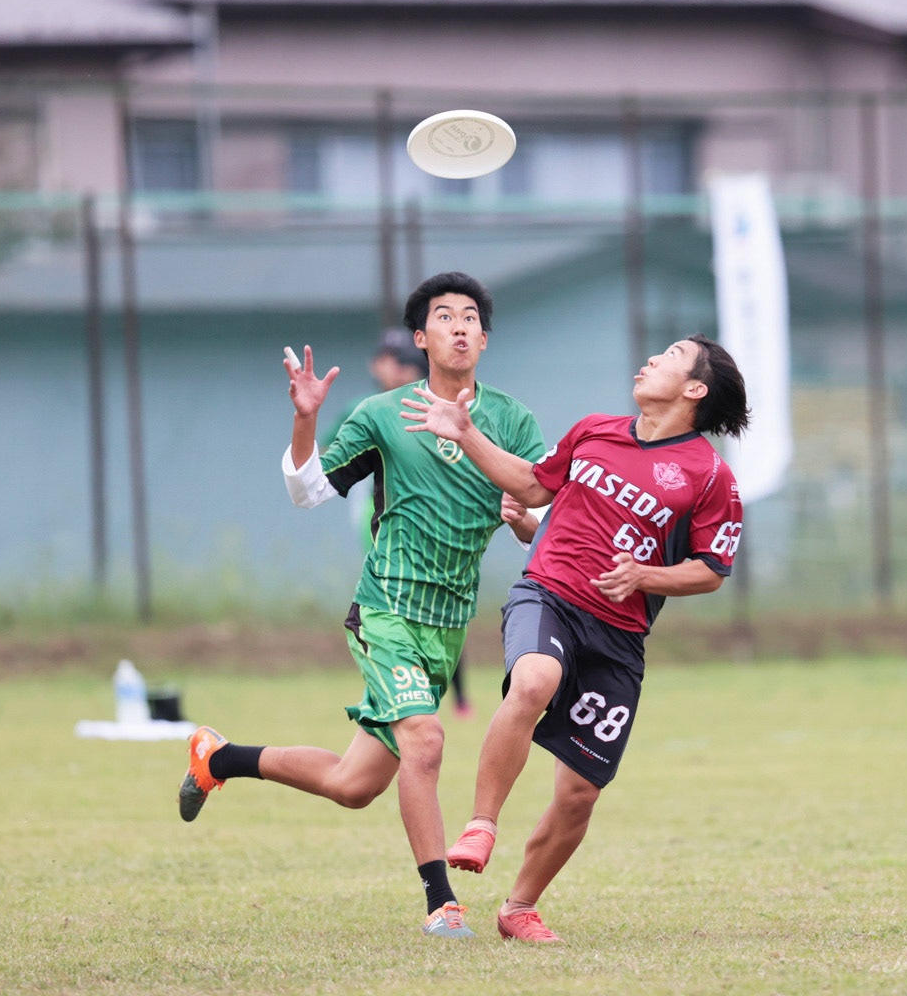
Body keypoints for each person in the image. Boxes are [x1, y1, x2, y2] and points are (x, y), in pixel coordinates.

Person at [176, 272, 547, 939]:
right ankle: (441, 904)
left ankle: (219, 758)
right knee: (425, 741)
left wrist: (523, 522)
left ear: (485, 339)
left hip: (447, 625)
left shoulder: (513, 421)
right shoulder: (382, 414)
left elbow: (542, 512)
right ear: (421, 338)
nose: (459, 326)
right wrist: (306, 418)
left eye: (470, 317)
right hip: (386, 610)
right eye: (444, 316)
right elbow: (308, 491)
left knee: (354, 785)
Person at [400, 334, 749, 943]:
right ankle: (482, 824)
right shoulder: (594, 430)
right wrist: (466, 433)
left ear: (696, 388)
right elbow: (534, 485)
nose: (651, 359)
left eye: (670, 356)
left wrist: (645, 576)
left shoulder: (710, 475)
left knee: (580, 792)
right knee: (535, 678)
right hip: (549, 594)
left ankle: (519, 908)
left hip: (619, 635)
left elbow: (711, 570)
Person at [327, 328, 475, 719]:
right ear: (376, 364)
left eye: (407, 362)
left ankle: (451, 696)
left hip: (437, 519)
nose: (400, 369)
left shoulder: (440, 406)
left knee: (439, 602)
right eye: (391, 360)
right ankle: (395, 685)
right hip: (379, 513)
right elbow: (326, 461)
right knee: (394, 596)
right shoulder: (365, 408)